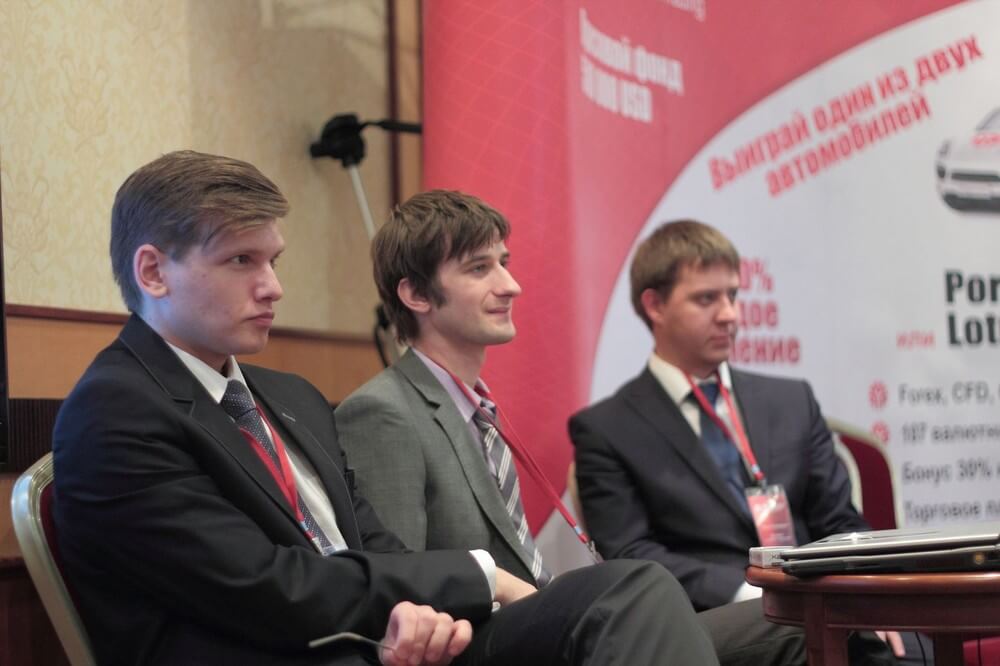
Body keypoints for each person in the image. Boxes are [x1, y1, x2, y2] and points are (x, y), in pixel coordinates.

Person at [52, 151, 721, 666]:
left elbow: (373, 546)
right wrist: (478, 578)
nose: (273, 287)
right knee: (627, 594)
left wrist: (421, 607)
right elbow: (264, 586)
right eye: (240, 261)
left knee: (670, 602)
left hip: (388, 644)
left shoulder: (288, 397)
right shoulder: (116, 412)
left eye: (273, 260)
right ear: (153, 272)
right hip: (313, 652)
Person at [336, 191, 806, 666]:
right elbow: (399, 586)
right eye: (479, 269)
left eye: (504, 263)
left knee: (794, 620)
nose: (510, 285)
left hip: (547, 628)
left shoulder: (477, 408)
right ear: (416, 295)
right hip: (481, 645)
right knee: (638, 582)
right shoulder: (383, 413)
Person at [569, 219, 915, 663]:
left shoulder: (791, 401)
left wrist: (865, 594)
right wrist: (751, 592)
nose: (729, 314)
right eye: (706, 299)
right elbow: (634, 556)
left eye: (732, 295)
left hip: (828, 607)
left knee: (910, 648)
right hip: (710, 626)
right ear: (654, 305)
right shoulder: (607, 429)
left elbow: (840, 522)